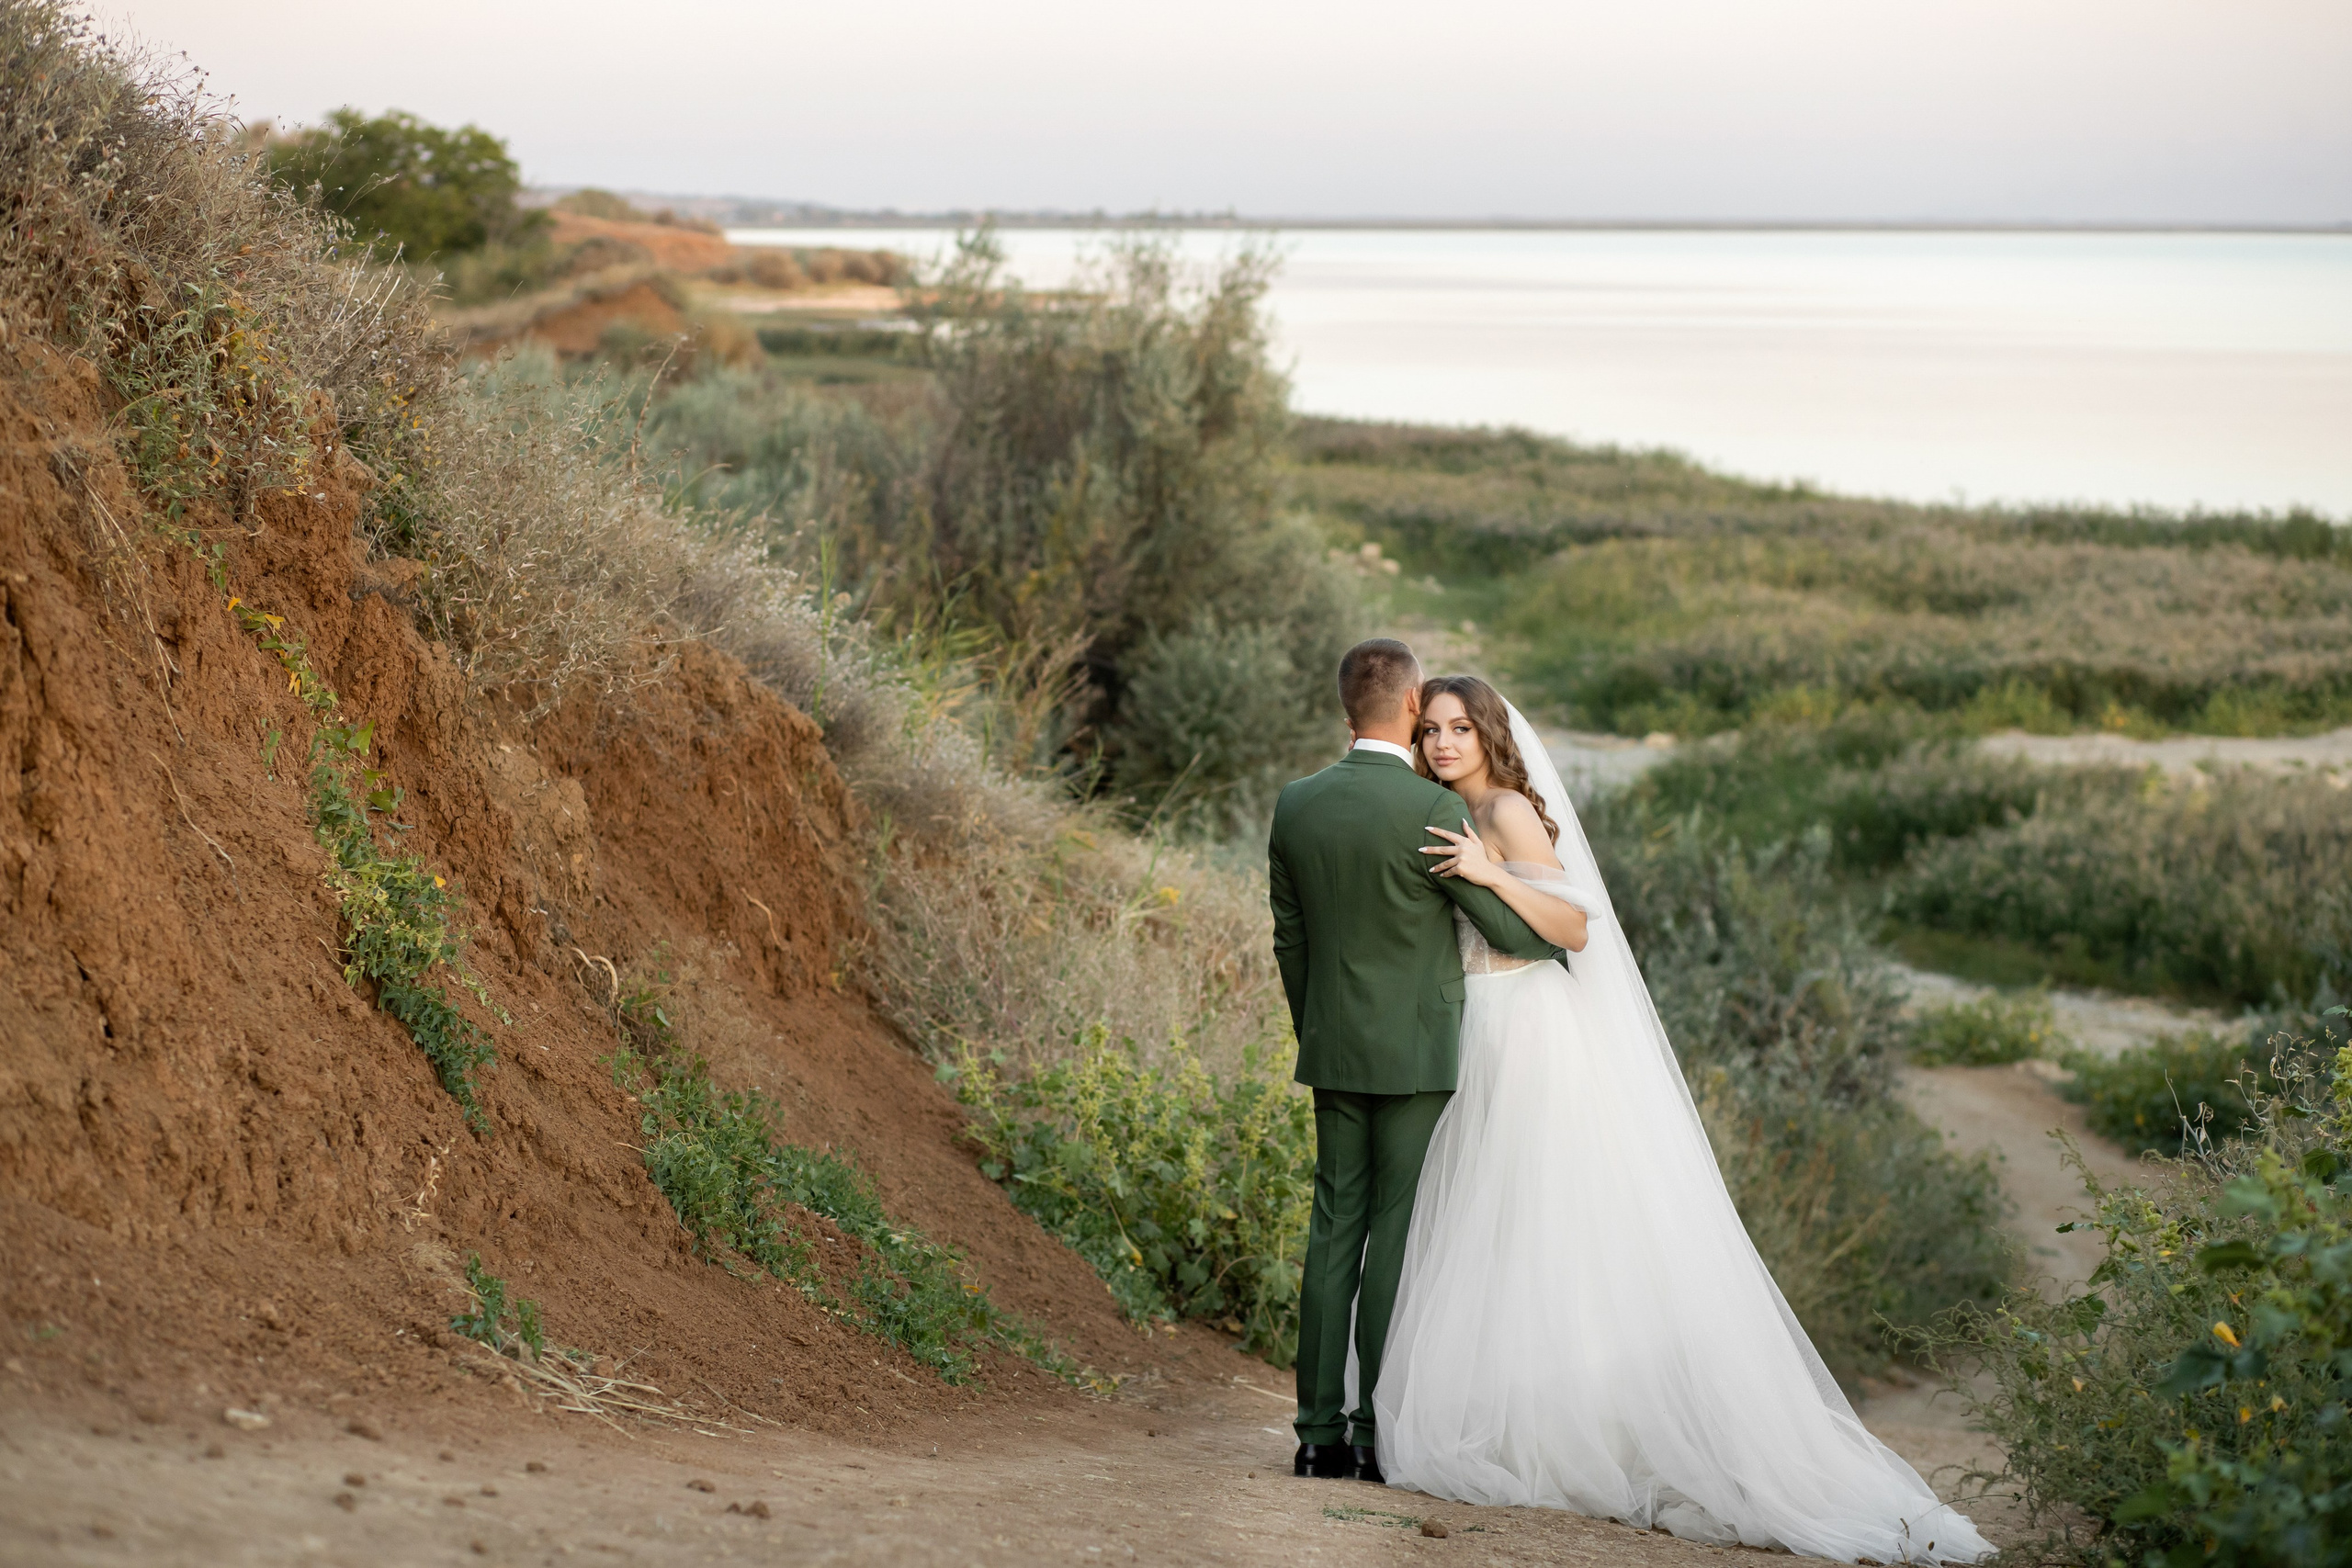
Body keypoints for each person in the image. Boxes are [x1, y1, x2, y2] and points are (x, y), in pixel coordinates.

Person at [1372, 673, 1994, 1565]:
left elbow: (1572, 929)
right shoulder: (1440, 804)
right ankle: (1514, 1410)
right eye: (1430, 729)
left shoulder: (1505, 811)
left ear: (1489, 735)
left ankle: (1556, 1427)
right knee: (1491, 1225)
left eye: (1459, 728)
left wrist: (1482, 872)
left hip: (1525, 1028)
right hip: (1474, 1027)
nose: (1442, 744)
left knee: (1532, 1216)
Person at [1266, 640, 1563, 1482]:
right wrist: (1547, 929)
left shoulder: (1296, 803)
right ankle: (1370, 1434)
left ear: (1344, 710)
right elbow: (1507, 931)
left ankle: (1314, 1432)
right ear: (1407, 709)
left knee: (1333, 1228)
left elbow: (1291, 937)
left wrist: (1318, 1027)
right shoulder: (1429, 812)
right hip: (1420, 1051)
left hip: (1333, 1045)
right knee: (1392, 1231)